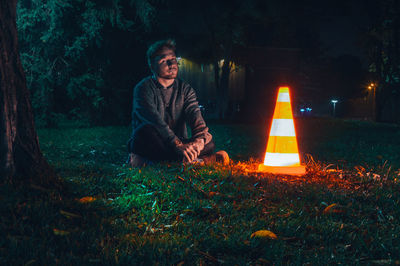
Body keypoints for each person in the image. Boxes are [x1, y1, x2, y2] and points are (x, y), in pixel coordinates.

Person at [127, 39, 229, 167]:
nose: (171, 64)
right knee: (143, 134)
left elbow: (196, 118)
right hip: (155, 140)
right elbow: (155, 122)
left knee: (208, 142)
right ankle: (203, 161)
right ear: (152, 65)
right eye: (164, 60)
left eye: (173, 59)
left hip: (179, 143)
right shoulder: (143, 88)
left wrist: (198, 142)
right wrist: (177, 145)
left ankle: (154, 162)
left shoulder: (185, 89)